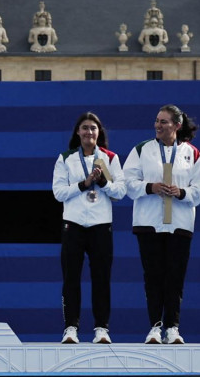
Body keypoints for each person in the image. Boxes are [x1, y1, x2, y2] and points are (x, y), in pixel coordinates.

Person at [124, 104, 200, 345]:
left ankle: (172, 327)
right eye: (157, 121)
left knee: (175, 277)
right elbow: (128, 182)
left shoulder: (192, 154)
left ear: (177, 126)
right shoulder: (142, 150)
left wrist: (180, 192)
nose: (158, 126)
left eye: (163, 122)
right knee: (153, 277)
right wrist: (151, 187)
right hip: (148, 222)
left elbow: (199, 190)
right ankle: (154, 327)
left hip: (180, 224)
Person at [52, 112, 127, 345]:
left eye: (93, 128)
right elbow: (58, 193)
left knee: (101, 279)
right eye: (84, 128)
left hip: (100, 226)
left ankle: (101, 329)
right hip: (73, 226)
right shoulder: (66, 158)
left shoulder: (110, 158)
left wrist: (103, 183)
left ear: (99, 132)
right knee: (71, 279)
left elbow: (120, 192)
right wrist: (83, 184)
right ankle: (70, 328)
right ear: (78, 132)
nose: (89, 132)